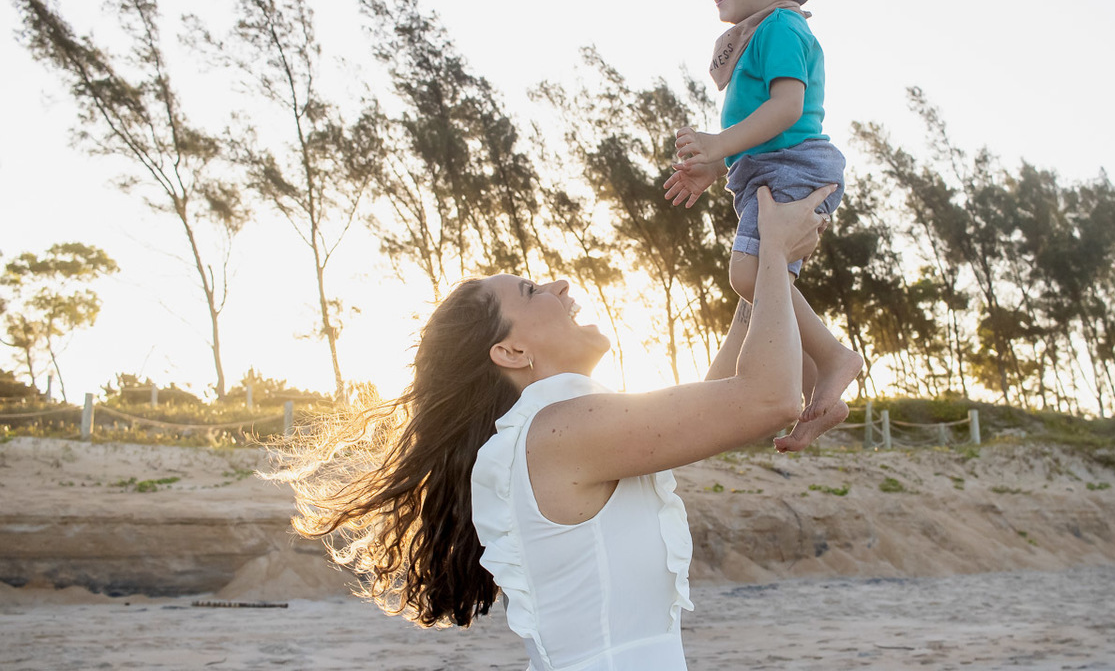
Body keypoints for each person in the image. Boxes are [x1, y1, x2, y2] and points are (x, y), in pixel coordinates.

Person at [268, 184, 835, 670]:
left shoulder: (557, 431)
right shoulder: (560, 430)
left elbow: (725, 398)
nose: (560, 287)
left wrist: (763, 261)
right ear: (511, 350)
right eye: (532, 291)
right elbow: (768, 398)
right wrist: (775, 251)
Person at [664, 0, 862, 451]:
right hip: (768, 167)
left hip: (793, 166)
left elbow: (786, 110)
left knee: (751, 275)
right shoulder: (762, 32)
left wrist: (719, 144)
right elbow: (763, 127)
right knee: (765, 300)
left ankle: (833, 357)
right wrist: (716, 165)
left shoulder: (780, 26)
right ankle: (814, 395)